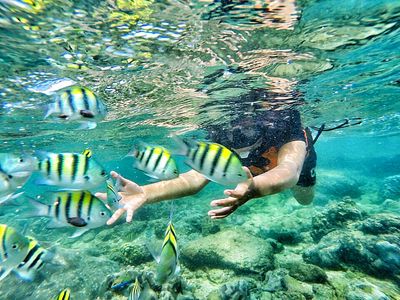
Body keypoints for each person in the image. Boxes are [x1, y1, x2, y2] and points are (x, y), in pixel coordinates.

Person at [96, 91, 317, 225]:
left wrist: (254, 187)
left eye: (248, 124)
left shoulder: (285, 126)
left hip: (297, 168)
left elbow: (289, 170)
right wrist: (146, 193)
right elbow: (194, 179)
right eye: (233, 125)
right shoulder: (221, 137)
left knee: (304, 199)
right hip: (243, 173)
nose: (240, 129)